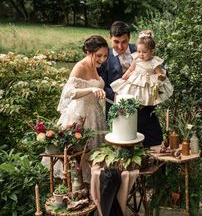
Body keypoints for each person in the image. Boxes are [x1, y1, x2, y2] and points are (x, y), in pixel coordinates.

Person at [57, 35, 108, 181]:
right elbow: (68, 93)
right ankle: (79, 191)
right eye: (99, 56)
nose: (102, 59)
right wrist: (91, 89)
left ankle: (94, 192)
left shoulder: (95, 66)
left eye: (105, 56)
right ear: (88, 51)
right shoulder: (80, 67)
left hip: (95, 115)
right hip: (80, 117)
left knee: (96, 158)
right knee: (81, 157)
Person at [111, 29, 173, 106]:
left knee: (149, 97)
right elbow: (131, 68)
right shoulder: (137, 58)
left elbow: (161, 73)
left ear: (152, 51)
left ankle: (147, 105)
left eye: (144, 52)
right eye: (139, 51)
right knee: (132, 93)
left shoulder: (154, 62)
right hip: (136, 81)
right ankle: (134, 104)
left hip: (148, 84)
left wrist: (161, 77)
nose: (141, 54)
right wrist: (126, 75)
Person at [98, 21, 136, 117]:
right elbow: (101, 84)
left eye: (124, 42)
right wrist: (116, 96)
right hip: (115, 106)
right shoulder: (103, 58)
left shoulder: (140, 50)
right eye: (116, 42)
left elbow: (156, 66)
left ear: (129, 38)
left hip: (143, 107)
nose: (120, 47)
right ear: (110, 38)